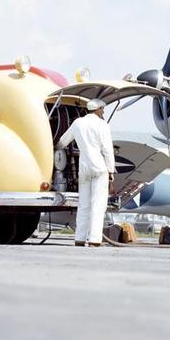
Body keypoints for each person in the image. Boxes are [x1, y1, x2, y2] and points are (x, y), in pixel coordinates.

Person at [57, 98, 116, 247]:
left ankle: (80, 238)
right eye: (102, 109)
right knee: (98, 205)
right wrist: (111, 170)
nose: (103, 112)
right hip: (99, 167)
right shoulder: (102, 125)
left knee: (83, 204)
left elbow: (63, 142)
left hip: (84, 168)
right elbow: (107, 150)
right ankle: (95, 240)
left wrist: (55, 150)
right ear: (98, 109)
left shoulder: (78, 123)